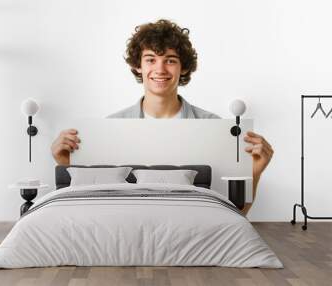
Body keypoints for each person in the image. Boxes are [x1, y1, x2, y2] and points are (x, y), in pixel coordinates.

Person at [51, 19, 274, 215]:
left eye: (170, 60)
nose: (160, 69)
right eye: (150, 59)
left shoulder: (214, 127)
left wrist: (254, 170)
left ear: (183, 68)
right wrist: (66, 165)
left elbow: (235, 214)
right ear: (137, 66)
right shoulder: (109, 129)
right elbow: (94, 210)